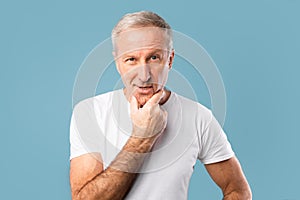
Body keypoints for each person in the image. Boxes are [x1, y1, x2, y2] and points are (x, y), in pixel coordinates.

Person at [69, 11, 252, 200]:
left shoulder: (199, 117)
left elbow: (238, 190)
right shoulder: (90, 112)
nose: (144, 75)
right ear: (117, 62)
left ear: (170, 60)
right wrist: (142, 137)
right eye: (131, 59)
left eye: (154, 58)